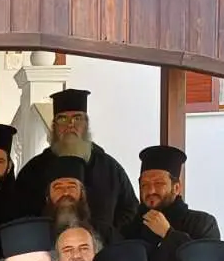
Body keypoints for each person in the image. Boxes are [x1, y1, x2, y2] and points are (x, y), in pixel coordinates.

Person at [16, 89, 139, 235]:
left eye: (77, 118)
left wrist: (107, 235)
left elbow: (130, 210)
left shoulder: (110, 168)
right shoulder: (34, 169)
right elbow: (21, 214)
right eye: (63, 119)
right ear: (54, 126)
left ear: (86, 124)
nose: (70, 125)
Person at [126, 146, 219, 261]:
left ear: (176, 187)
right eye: (145, 185)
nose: (151, 190)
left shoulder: (201, 223)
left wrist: (169, 234)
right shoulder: (130, 228)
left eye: (158, 183)